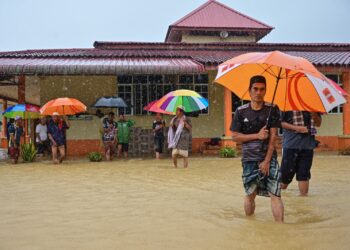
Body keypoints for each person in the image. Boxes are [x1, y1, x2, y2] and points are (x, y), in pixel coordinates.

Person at [230, 75, 284, 223]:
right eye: (255, 89)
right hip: (249, 159)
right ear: (249, 91)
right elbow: (234, 136)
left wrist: (267, 161)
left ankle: (280, 228)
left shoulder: (272, 109)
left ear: (266, 91)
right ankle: (250, 224)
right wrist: (257, 135)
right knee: (250, 194)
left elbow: (273, 138)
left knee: (275, 194)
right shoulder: (241, 111)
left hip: (269, 158)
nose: (258, 92)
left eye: (262, 89)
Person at [280, 111, 322, 196]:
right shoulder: (287, 105)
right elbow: (279, 123)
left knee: (304, 174)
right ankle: (280, 194)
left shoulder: (313, 106)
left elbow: (318, 124)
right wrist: (297, 128)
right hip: (290, 145)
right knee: (285, 175)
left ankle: (303, 199)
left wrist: (314, 114)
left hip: (307, 145)